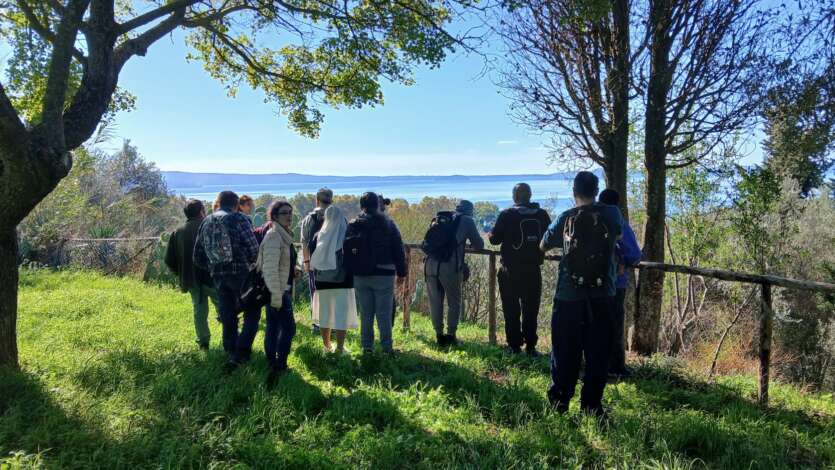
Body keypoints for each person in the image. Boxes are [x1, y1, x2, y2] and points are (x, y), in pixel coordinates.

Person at [540, 171, 623, 416]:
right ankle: (591, 406)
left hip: (568, 296)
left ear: (574, 192)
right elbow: (617, 236)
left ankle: (560, 401)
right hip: (603, 294)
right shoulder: (611, 213)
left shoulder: (566, 217)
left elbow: (543, 244)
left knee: (565, 350)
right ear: (596, 191)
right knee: (598, 352)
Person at [193, 191, 261, 372]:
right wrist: (251, 265)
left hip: (218, 277)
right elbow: (254, 248)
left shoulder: (206, 222)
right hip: (241, 275)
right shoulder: (239, 219)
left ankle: (231, 351)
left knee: (228, 316)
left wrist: (214, 267)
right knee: (252, 312)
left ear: (219, 202)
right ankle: (242, 352)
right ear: (236, 204)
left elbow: (197, 256)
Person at [488, 183, 551, 356]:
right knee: (531, 309)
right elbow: (550, 238)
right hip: (533, 270)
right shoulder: (542, 215)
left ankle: (514, 345)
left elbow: (494, 240)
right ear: (530, 196)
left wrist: (491, 235)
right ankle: (531, 346)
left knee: (511, 309)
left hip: (510, 270)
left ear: (515, 197)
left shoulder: (507, 215)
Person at [346, 192, 407, 354]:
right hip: (384, 274)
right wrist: (402, 273)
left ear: (361, 206)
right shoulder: (388, 224)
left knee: (365, 314)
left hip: (360, 274)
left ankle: (367, 348)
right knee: (383, 314)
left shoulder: (354, 224)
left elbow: (346, 250)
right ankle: (387, 349)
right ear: (378, 205)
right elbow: (398, 249)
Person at [424, 200, 484, 347]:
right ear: (470, 211)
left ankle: (439, 335)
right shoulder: (467, 221)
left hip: (430, 265)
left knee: (435, 302)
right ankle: (451, 336)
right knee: (454, 302)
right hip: (449, 267)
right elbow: (480, 245)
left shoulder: (441, 219)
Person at [164, 199, 219, 350]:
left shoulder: (178, 232)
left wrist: (181, 273)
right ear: (201, 211)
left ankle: (203, 343)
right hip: (212, 278)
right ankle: (231, 341)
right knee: (225, 309)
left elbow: (169, 259)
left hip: (191, 279)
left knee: (199, 311)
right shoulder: (210, 227)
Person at [598, 188, 641, 378]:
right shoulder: (621, 225)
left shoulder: (591, 223)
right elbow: (634, 255)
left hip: (591, 283)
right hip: (616, 283)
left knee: (595, 324)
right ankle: (616, 366)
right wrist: (622, 260)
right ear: (618, 205)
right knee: (615, 324)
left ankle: (596, 363)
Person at [258, 200, 299, 387]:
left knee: (273, 327)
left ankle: (271, 362)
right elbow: (270, 270)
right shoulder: (275, 236)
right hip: (278, 291)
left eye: (290, 212)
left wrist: (293, 269)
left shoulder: (283, 234)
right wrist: (277, 295)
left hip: (279, 289)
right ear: (274, 216)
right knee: (289, 329)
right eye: (284, 213)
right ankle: (280, 365)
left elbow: (283, 263)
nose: (289, 216)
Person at [310, 205, 358, 354]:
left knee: (325, 313)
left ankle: (326, 346)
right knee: (341, 314)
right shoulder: (346, 236)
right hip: (343, 281)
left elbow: (313, 256)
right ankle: (340, 347)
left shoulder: (318, 236)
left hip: (322, 281)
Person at [301, 188, 334, 333]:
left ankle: (317, 325)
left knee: (315, 294)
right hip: (333, 264)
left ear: (317, 200)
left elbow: (304, 242)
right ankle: (332, 325)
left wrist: (306, 262)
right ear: (331, 200)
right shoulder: (338, 218)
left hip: (315, 263)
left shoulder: (309, 219)